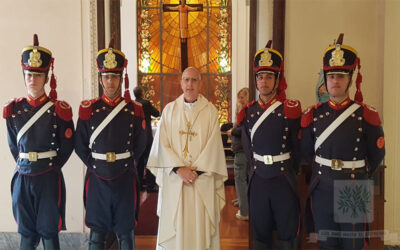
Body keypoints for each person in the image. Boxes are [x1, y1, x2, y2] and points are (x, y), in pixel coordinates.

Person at [301, 35, 385, 249]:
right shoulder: (314, 114)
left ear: (350, 78)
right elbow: (306, 152)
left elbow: (377, 157)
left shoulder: (365, 114)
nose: (335, 81)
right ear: (325, 80)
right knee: (327, 244)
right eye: (331, 76)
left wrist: (357, 174)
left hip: (353, 186)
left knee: (352, 245)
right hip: (322, 185)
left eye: (340, 76)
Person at [3, 34, 74, 249]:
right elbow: (14, 146)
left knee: (49, 233)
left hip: (48, 177)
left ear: (46, 77)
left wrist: (49, 165)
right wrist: (27, 162)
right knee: (26, 234)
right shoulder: (13, 109)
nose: (32, 79)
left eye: (37, 74)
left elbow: (67, 146)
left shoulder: (59, 110)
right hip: (23, 176)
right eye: (28, 74)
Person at [75, 38, 146, 250]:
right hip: (97, 179)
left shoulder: (134, 110)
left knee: (125, 234)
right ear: (100, 79)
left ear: (121, 78)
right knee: (97, 235)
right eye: (106, 77)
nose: (110, 82)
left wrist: (129, 166)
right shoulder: (89, 109)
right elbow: (80, 145)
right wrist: (96, 165)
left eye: (115, 77)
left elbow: (141, 145)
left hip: (124, 177)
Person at [147, 67, 227, 250]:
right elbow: (161, 145)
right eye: (186, 80)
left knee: (200, 229)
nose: (190, 84)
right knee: (175, 228)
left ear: (201, 83)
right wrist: (179, 169)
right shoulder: (169, 111)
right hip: (175, 181)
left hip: (201, 180)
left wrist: (194, 172)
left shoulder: (210, 112)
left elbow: (213, 146)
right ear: (181, 83)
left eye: (194, 80)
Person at [238, 41, 302, 249]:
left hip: (283, 178)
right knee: (261, 233)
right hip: (258, 179)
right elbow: (248, 148)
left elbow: (298, 147)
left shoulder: (289, 110)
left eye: (268, 76)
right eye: (260, 76)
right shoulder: (248, 112)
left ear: (277, 80)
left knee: (287, 232)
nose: (263, 81)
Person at [227, 87, 249, 220]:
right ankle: (242, 201)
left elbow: (244, 130)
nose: (240, 100)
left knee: (240, 179)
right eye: (239, 97)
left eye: (243, 97)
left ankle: (244, 211)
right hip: (239, 148)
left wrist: (232, 132)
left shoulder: (248, 111)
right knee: (242, 178)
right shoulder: (242, 111)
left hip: (242, 150)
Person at [133, 86, 160, 192]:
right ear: (142, 93)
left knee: (138, 160)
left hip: (136, 135)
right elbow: (156, 113)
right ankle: (150, 185)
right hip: (146, 135)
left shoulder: (132, 104)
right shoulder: (146, 103)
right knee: (148, 159)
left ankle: (139, 184)